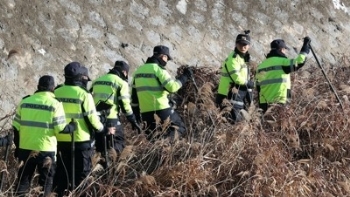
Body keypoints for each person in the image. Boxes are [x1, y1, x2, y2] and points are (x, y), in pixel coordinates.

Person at [53, 62, 115, 196]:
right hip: (81, 141)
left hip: (60, 139)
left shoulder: (56, 92)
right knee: (82, 176)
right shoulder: (84, 94)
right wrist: (103, 129)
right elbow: (92, 119)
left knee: (62, 175)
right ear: (81, 78)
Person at [12, 75, 76, 197]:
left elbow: (15, 126)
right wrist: (72, 127)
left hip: (26, 148)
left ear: (38, 87)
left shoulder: (25, 102)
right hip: (46, 150)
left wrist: (18, 147)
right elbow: (61, 128)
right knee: (45, 183)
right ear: (53, 89)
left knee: (23, 182)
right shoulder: (55, 104)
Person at [131, 45, 192, 141]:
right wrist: (185, 76)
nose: (166, 61)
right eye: (167, 58)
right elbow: (172, 88)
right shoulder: (159, 70)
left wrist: (136, 115)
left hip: (145, 113)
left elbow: (133, 97)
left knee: (153, 138)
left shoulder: (138, 71)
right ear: (163, 56)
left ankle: (158, 150)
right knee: (180, 128)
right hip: (161, 109)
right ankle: (165, 143)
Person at [91, 60, 141, 165]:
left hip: (96, 120)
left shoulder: (97, 80)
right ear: (125, 72)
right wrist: (132, 120)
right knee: (118, 143)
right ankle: (111, 168)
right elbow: (125, 105)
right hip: (111, 120)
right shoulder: (121, 83)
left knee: (100, 147)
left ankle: (100, 169)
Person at [256, 37, 311, 113]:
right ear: (281, 49)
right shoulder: (283, 62)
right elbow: (299, 61)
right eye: (285, 49)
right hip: (278, 101)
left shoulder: (261, 66)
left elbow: (258, 87)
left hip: (263, 103)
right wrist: (306, 46)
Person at [216, 30, 254, 122]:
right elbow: (236, 78)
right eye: (240, 44)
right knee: (231, 122)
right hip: (227, 94)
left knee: (236, 122)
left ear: (249, 46)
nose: (243, 47)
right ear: (236, 44)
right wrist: (250, 84)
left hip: (237, 94)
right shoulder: (233, 58)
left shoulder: (243, 58)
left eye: (245, 45)